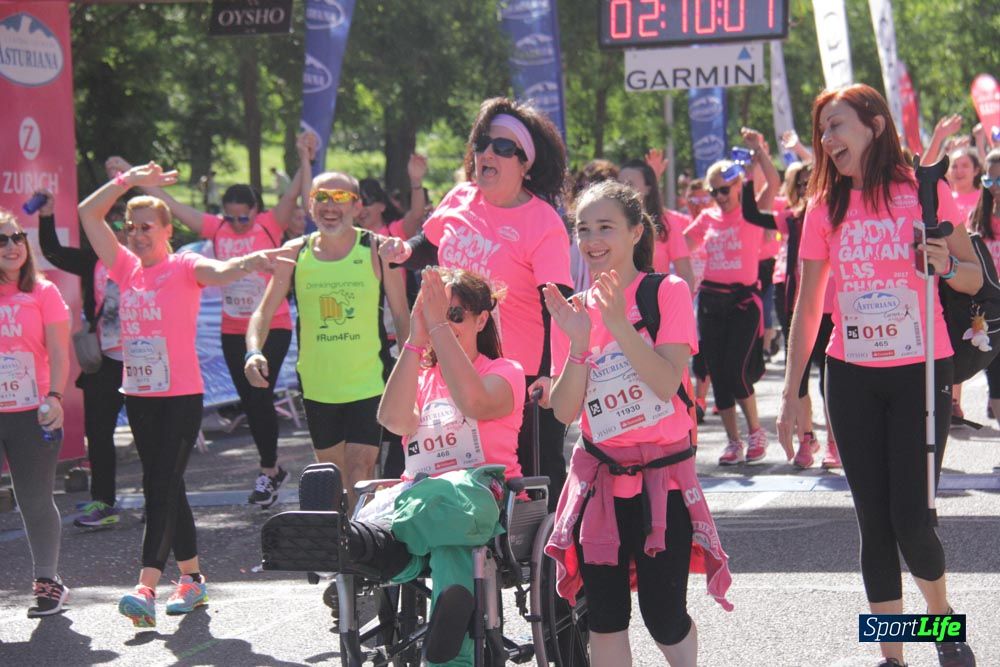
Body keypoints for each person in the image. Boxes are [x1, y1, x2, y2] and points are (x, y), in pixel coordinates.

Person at [778, 84, 981, 667]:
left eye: (836, 125)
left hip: (921, 371)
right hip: (851, 374)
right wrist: (792, 394)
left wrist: (945, 264)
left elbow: (971, 277)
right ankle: (890, 655)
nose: (827, 140)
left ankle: (943, 623)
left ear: (872, 123)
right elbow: (808, 306)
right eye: (821, 131)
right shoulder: (824, 205)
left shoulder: (922, 189)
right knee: (872, 520)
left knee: (912, 519)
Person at [78, 162, 288, 628]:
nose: (135, 235)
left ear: (167, 230)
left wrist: (249, 262)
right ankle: (192, 579)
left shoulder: (183, 266)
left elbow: (220, 269)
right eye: (130, 228)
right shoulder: (125, 268)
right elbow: (87, 214)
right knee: (167, 486)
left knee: (158, 487)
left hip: (180, 397)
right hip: (139, 394)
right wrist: (124, 182)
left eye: (145, 227)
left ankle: (146, 586)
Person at [543, 181, 732, 666]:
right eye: (584, 229)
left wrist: (620, 325)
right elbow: (566, 411)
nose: (593, 239)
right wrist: (581, 343)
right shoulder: (576, 307)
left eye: (605, 227)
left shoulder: (664, 291)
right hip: (599, 480)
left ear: (634, 232)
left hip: (661, 480)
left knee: (663, 615)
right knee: (604, 616)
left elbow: (668, 383)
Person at [380, 97, 574, 509]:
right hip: (449, 365)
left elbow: (557, 305)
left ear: (525, 164)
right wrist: (402, 250)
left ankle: (556, 566)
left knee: (534, 480)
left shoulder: (543, 222)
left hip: (518, 377)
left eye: (503, 148)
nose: (487, 153)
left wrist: (552, 374)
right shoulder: (459, 198)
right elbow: (427, 246)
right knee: (439, 466)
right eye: (484, 143)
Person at [109, 131, 315, 507]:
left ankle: (269, 472)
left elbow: (297, 193)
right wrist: (131, 179)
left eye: (243, 217)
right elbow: (165, 205)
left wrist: (304, 156)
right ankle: (272, 469)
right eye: (231, 216)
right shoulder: (215, 228)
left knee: (260, 395)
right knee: (251, 402)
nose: (237, 224)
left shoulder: (270, 223)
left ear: (256, 211)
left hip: (273, 323)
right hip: (233, 328)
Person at [245, 170, 409, 510]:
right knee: (332, 477)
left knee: (360, 471)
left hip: (368, 382)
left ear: (356, 206)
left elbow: (402, 315)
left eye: (340, 198)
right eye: (322, 197)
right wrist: (253, 352)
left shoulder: (377, 249)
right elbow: (262, 312)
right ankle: (344, 547)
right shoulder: (295, 252)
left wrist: (412, 372)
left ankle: (361, 552)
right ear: (309, 205)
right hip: (319, 385)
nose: (330, 206)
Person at [37, 186, 129, 527]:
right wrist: (46, 215)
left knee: (153, 436)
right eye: (111, 227)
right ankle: (103, 503)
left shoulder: (146, 263)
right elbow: (53, 252)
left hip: (143, 364)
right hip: (102, 362)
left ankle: (160, 503)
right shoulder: (93, 261)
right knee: (99, 433)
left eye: (125, 227)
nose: (119, 233)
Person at [742, 161, 841, 469]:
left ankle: (834, 445)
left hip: (833, 309)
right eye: (800, 185)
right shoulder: (792, 219)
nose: (806, 189)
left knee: (829, 381)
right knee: (797, 382)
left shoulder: (839, 213)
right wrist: (748, 176)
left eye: (811, 183)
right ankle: (805, 439)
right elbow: (752, 215)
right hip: (794, 307)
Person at [0, 207, 71, 617]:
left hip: (34, 412)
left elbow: (60, 351)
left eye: (17, 238)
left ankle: (48, 581)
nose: (11, 246)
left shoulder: (44, 292)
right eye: (2, 239)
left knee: (35, 500)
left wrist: (56, 396)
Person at [684, 158, 770, 466]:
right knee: (717, 374)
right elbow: (680, 248)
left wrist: (760, 152)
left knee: (735, 369)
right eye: (713, 191)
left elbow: (772, 185)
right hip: (710, 302)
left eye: (724, 190)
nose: (720, 197)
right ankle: (733, 441)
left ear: (738, 185)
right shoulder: (707, 218)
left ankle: (756, 432)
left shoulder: (751, 213)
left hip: (743, 302)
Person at [619, 159, 695, 291]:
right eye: (619, 184)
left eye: (629, 184)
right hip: (617, 304)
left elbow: (686, 274)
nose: (623, 190)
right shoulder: (608, 222)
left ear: (648, 188)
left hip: (656, 305)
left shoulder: (666, 222)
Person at [969, 148, 1000, 426]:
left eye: (999, 181)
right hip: (989, 309)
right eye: (989, 182)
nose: (994, 188)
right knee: (996, 379)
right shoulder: (977, 218)